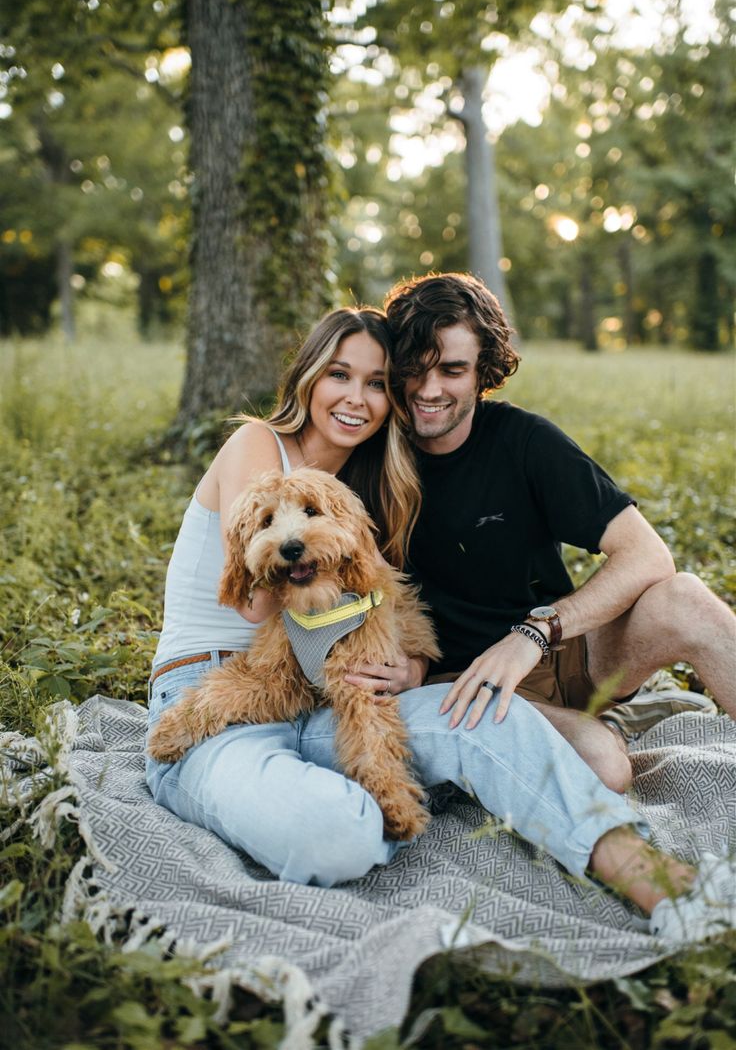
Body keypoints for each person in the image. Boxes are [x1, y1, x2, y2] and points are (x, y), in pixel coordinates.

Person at [146, 304, 735, 941]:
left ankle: (665, 886)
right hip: (214, 700)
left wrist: (415, 660)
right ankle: (294, 795)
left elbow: (388, 604)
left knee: (484, 715)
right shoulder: (259, 447)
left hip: (331, 701)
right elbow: (256, 600)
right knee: (336, 835)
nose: (358, 398)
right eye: (340, 375)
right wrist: (318, 529)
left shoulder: (373, 479)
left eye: (375, 383)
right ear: (309, 377)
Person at [345, 271, 735, 800]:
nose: (429, 390)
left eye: (453, 370)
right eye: (414, 370)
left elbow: (646, 554)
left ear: (484, 371)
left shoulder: (525, 440)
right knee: (603, 770)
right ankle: (605, 727)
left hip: (560, 649)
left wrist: (534, 633)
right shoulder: (367, 459)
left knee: (685, 598)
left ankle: (611, 712)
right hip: (456, 682)